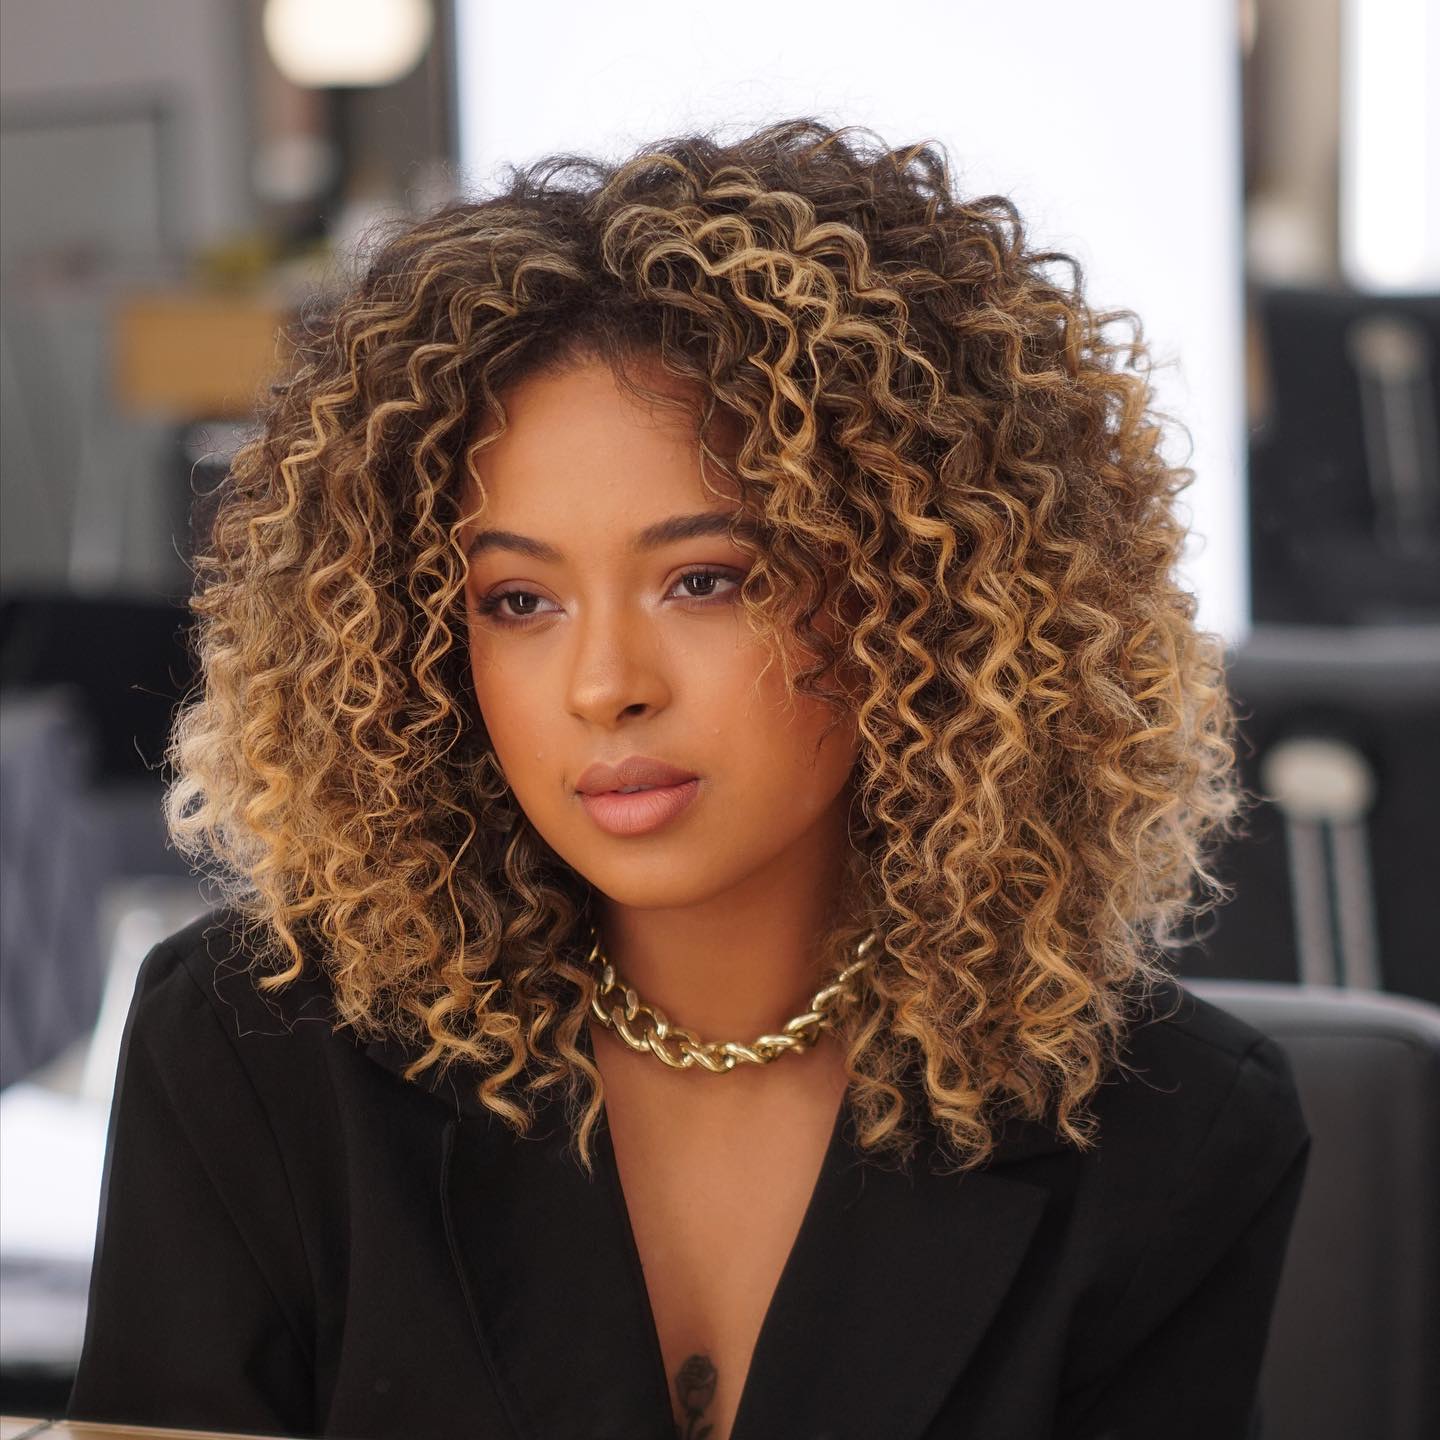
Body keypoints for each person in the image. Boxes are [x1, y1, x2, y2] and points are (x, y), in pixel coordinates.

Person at [66, 117, 1311, 1440]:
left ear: (929, 600)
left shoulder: (1175, 1136)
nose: (606, 683)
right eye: (519, 600)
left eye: (706, 580)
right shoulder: (257, 1052)